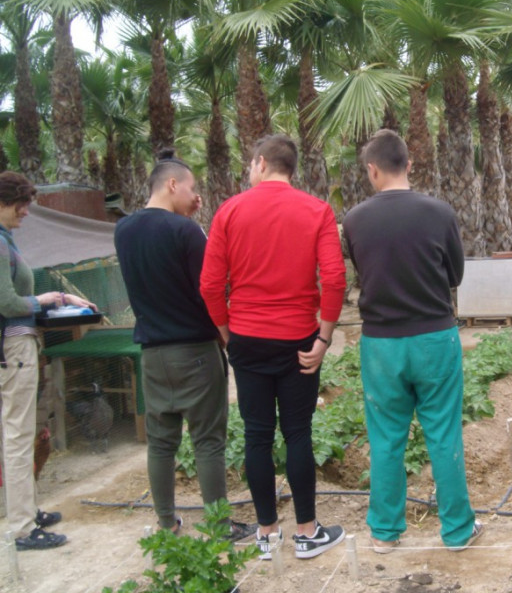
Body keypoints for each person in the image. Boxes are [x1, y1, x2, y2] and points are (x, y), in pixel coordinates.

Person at [200, 134, 347, 560]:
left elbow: (210, 284)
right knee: (298, 432)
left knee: (256, 434)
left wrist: (227, 332)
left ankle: (266, 534)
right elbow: (334, 279)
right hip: (300, 339)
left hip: (246, 336)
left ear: (260, 163)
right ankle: (307, 532)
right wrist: (324, 337)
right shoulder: (316, 210)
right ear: (290, 168)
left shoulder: (229, 211)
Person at [342, 129, 481, 554]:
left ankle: (385, 532)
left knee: (385, 438)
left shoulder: (354, 219)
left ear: (372, 169)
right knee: (443, 434)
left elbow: (362, 274)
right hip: (434, 338)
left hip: (381, 343)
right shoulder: (439, 212)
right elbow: (455, 276)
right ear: (409, 164)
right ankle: (457, 531)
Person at [114, 150, 255, 541]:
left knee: (161, 443)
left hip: (153, 355)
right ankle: (219, 525)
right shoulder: (186, 232)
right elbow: (208, 291)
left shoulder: (123, 230)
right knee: (208, 441)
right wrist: (227, 336)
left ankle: (166, 524)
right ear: (172, 184)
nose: (197, 198)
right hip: (194, 350)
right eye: (193, 189)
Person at [0, 171, 95, 550]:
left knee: (19, 434)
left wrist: (58, 296)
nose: (26, 211)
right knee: (18, 436)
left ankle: (26, 510)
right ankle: (23, 527)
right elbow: (7, 303)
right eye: (21, 204)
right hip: (13, 348)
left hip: (16, 347)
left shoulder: (7, 239)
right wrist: (46, 301)